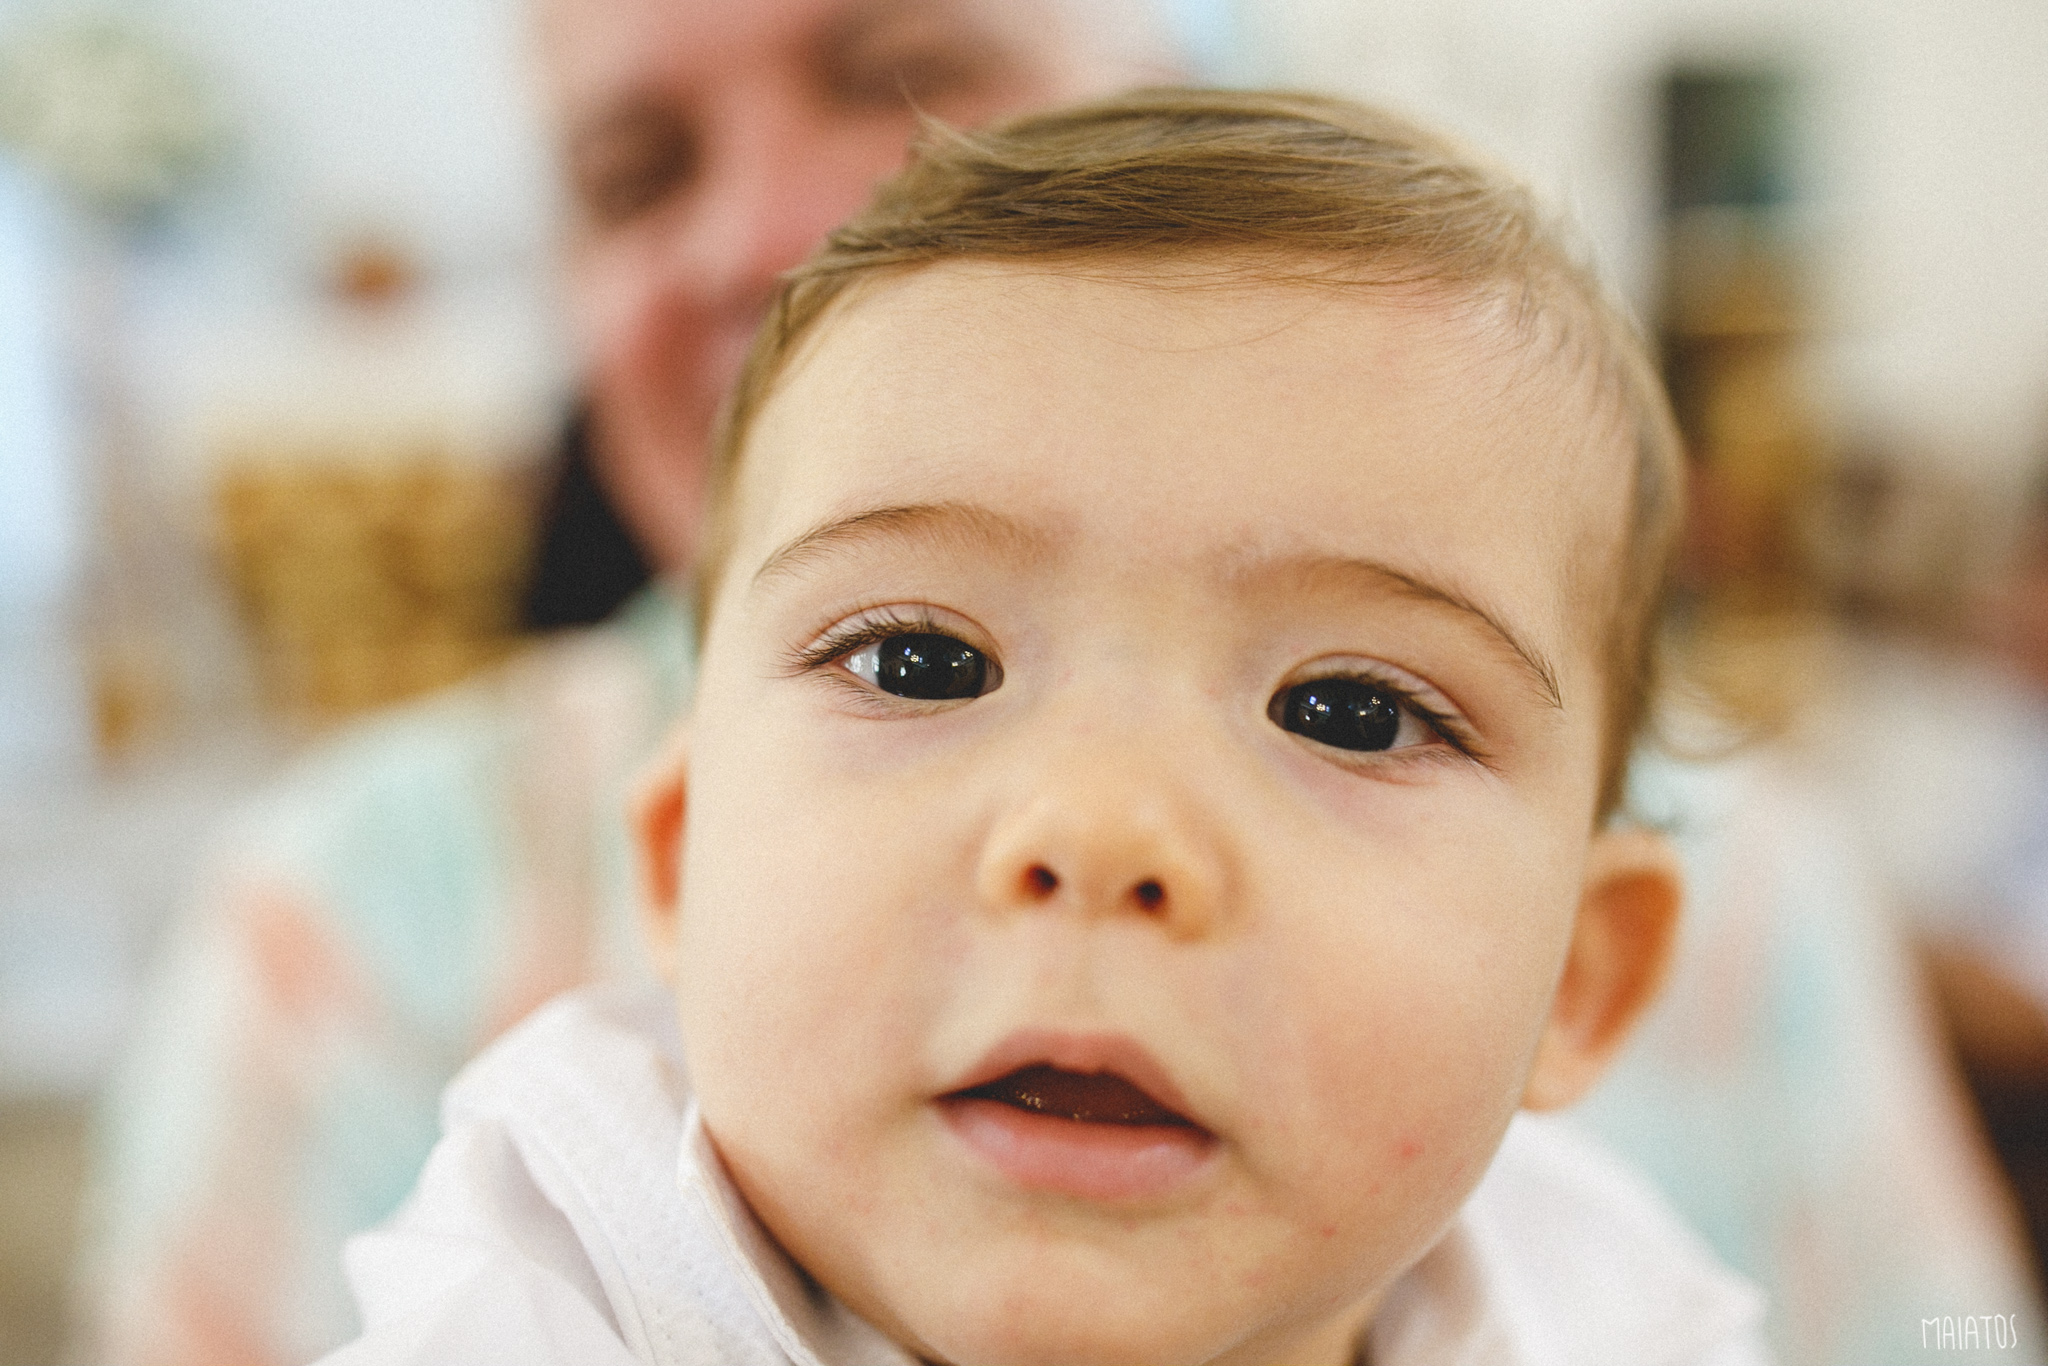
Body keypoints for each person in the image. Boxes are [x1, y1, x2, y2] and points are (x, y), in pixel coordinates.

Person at [317, 89, 1769, 1366]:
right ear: (682, 855)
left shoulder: (1618, 1313)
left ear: (1578, 976)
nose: (1095, 830)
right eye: (920, 662)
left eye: (1351, 709)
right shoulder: (565, 1278)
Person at [74, 5, 1182, 1364]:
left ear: (1188, 111)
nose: (767, 233)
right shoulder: (340, 918)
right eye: (634, 177)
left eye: (908, 80)